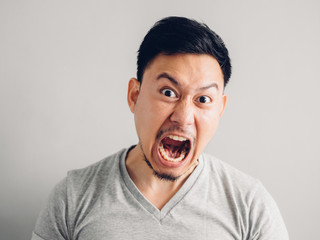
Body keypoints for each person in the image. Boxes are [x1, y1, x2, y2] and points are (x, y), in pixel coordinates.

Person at [32, 16, 289, 239]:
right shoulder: (72, 197)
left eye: (202, 100)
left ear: (220, 109)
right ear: (134, 95)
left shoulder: (250, 205)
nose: (183, 117)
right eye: (168, 92)